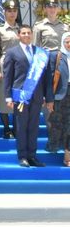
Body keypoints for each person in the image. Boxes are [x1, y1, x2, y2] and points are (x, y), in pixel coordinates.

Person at [2, 25, 54, 168]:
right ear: (18, 35)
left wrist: (48, 97)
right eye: (23, 33)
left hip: (37, 96)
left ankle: (32, 156)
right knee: (21, 126)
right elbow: (8, 76)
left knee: (33, 127)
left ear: (32, 35)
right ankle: (22, 156)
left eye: (29, 33)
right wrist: (8, 97)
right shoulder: (12, 52)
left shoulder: (40, 53)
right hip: (20, 96)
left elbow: (47, 78)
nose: (26, 35)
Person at [0, 0, 22, 139]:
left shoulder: (21, 29)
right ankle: (6, 128)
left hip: (20, 67)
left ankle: (17, 128)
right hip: (6, 65)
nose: (12, 13)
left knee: (18, 97)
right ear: (4, 12)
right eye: (9, 11)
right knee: (4, 98)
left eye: (14, 11)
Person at [46, 32, 70, 167]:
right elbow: (49, 78)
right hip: (60, 94)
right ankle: (55, 147)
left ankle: (67, 154)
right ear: (62, 42)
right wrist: (49, 98)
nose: (69, 44)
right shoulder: (56, 56)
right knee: (57, 123)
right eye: (67, 41)